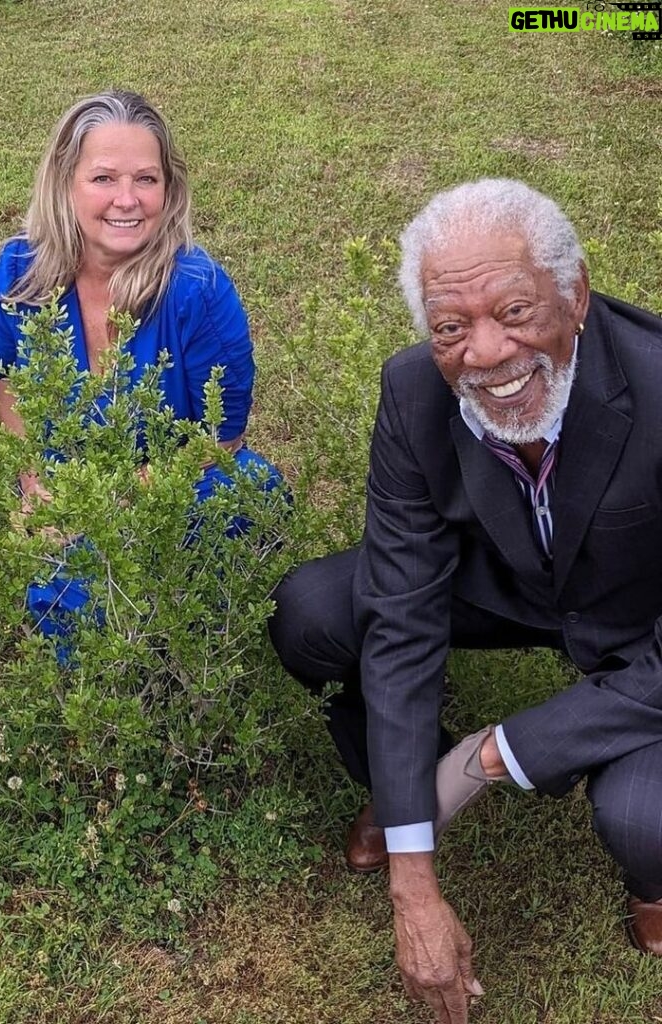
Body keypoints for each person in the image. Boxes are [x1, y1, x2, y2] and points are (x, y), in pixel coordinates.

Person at [268, 178, 662, 1023]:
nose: (485, 353)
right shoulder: (416, 392)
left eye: (515, 312)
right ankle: (404, 788)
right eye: (452, 328)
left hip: (643, 624)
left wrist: (493, 752)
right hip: (510, 585)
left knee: (645, 818)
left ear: (577, 294)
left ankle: (651, 883)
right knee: (313, 613)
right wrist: (415, 883)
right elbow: (403, 614)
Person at [0, 90, 282, 641]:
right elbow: (7, 383)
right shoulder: (18, 272)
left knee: (253, 492)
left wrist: (101, 506)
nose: (128, 199)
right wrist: (33, 483)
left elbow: (222, 441)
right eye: (103, 179)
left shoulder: (199, 290)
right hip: (61, 481)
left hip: (170, 484)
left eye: (146, 179)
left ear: (169, 190)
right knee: (75, 592)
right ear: (64, 183)